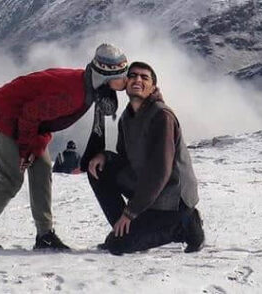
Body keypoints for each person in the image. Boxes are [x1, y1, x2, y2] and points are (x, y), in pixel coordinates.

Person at [0, 42, 129, 251]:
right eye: (122, 76)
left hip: (26, 120)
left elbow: (43, 119)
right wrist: (26, 151)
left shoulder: (87, 87)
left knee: (42, 169)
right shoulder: (75, 95)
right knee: (11, 179)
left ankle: (45, 235)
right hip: (5, 115)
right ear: (107, 77)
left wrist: (36, 145)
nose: (126, 81)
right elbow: (31, 115)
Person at [84, 60, 205, 255]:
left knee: (117, 246)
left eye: (144, 77)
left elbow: (160, 171)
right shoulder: (127, 117)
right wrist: (104, 157)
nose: (137, 79)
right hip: (151, 195)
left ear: (153, 87)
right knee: (98, 169)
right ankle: (121, 229)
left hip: (172, 200)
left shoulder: (161, 116)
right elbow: (125, 161)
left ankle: (185, 224)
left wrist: (130, 212)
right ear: (125, 83)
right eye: (132, 75)